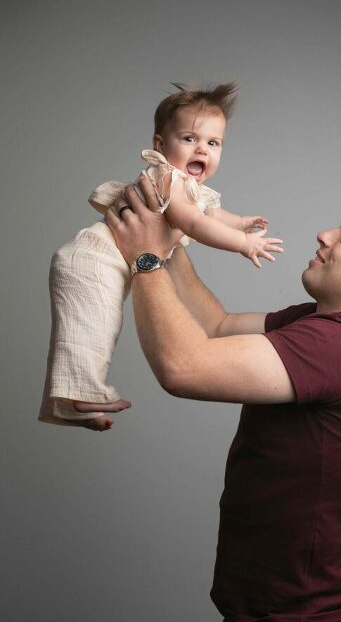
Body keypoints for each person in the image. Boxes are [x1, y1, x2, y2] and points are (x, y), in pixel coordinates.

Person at [102, 179, 341, 622]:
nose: (325, 235)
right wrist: (170, 236)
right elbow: (215, 327)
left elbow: (184, 366)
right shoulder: (320, 325)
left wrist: (145, 258)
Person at [38, 82, 282, 430]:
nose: (203, 149)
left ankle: (66, 405)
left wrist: (241, 222)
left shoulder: (188, 188)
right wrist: (243, 244)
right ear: (160, 145)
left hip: (98, 260)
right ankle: (85, 393)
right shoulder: (169, 178)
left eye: (213, 143)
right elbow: (194, 222)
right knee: (92, 331)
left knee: (86, 332)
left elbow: (211, 213)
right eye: (189, 139)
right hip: (93, 258)